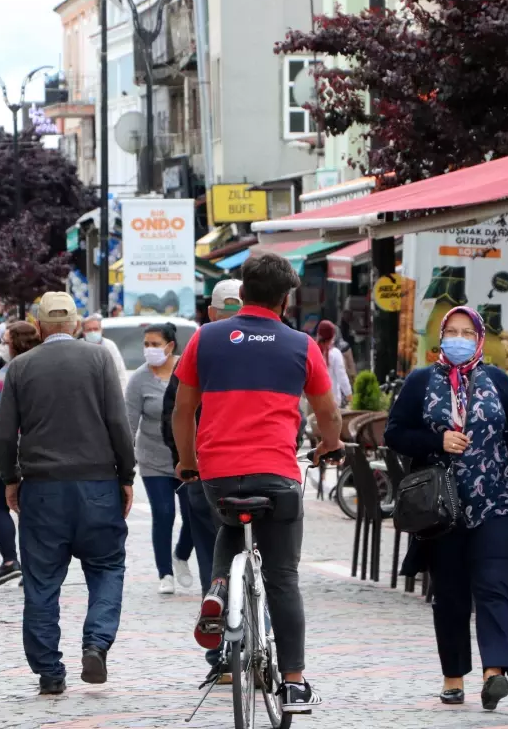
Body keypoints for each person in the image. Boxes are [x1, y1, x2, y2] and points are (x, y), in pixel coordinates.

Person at [172, 253, 343, 713]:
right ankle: (293, 683)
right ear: (285, 300)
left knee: (231, 522)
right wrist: (332, 445)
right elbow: (327, 413)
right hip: (277, 474)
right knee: (283, 576)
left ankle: (218, 590)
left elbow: (182, 410)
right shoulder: (302, 346)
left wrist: (188, 463)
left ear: (242, 291)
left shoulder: (205, 338)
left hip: (218, 471)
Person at [385, 306, 508, 711]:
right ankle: (453, 676)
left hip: (498, 501)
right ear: (442, 337)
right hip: (443, 508)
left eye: (466, 332)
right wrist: (436, 440)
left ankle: (495, 671)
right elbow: (394, 433)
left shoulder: (497, 381)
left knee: (493, 585)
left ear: (479, 339)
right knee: (452, 593)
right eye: (451, 332)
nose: (458, 339)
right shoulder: (421, 381)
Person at [0, 291, 136, 696]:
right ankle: (96, 642)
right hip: (97, 485)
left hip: (42, 490)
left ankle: (49, 672)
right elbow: (118, 424)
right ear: (75, 325)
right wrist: (126, 475)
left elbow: (5, 436)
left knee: (41, 582)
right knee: (107, 567)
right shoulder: (99, 359)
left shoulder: (20, 367)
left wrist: (10, 478)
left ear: (38, 327)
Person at [163, 279, 241, 679]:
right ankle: (270, 657)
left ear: (210, 313)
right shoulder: (276, 346)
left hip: (206, 476)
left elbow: (174, 413)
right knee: (276, 569)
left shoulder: (198, 348)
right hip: (268, 476)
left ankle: (222, 659)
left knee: (216, 566)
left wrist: (186, 462)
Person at [124, 323, 194, 595]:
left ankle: (181, 555)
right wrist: (124, 466)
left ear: (170, 346)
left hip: (187, 457)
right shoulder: (139, 380)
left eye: (155, 344)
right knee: (163, 513)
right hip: (153, 459)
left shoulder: (186, 371)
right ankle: (164, 573)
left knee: (193, 515)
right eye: (146, 345)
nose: (149, 350)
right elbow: (129, 424)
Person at [0, 321, 41, 587]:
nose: (1, 346)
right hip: (39, 449)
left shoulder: (7, 372)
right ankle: (33, 566)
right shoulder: (42, 369)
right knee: (31, 510)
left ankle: (9, 561)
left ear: (16, 343)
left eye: (5, 341)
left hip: (7, 450)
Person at [82, 313, 127, 389]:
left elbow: (120, 372)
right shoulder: (79, 346)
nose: (93, 332)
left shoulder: (110, 346)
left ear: (101, 330)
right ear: (83, 332)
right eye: (89, 330)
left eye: (96, 329)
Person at [316, 320, 352, 407]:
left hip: (314, 403)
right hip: (332, 403)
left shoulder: (312, 350)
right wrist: (350, 397)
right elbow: (342, 377)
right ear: (333, 336)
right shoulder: (335, 353)